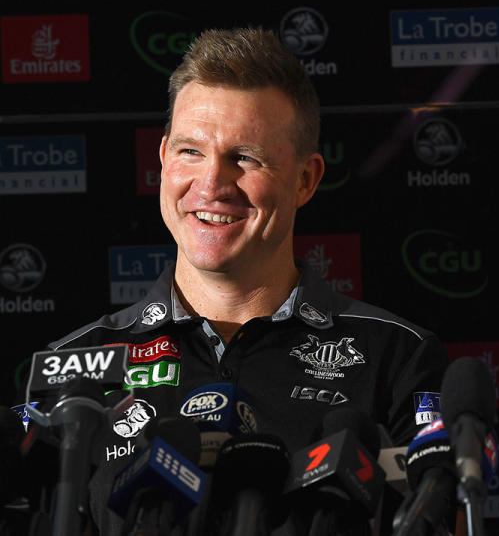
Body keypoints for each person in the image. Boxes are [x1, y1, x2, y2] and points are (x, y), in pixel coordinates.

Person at [43, 27, 447, 534]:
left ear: (306, 179)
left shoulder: (399, 358)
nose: (211, 184)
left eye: (245, 158)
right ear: (164, 158)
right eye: (191, 152)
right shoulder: (75, 370)